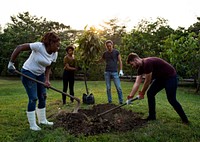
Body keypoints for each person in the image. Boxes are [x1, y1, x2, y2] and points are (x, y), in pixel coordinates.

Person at [7, 31, 60, 131]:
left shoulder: (54, 53)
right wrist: (11, 63)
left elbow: (48, 67)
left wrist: (47, 80)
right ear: (51, 43)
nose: (58, 48)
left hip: (40, 74)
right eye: (57, 45)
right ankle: (32, 125)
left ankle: (43, 120)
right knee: (33, 98)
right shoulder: (39, 46)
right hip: (28, 72)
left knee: (43, 96)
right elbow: (19, 47)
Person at [126, 52, 189, 124]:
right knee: (150, 93)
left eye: (132, 64)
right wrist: (130, 97)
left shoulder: (147, 63)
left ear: (135, 60)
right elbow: (137, 83)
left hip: (170, 77)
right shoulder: (140, 69)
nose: (132, 66)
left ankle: (185, 120)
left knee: (171, 99)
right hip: (161, 79)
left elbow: (148, 80)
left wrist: (142, 93)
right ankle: (152, 116)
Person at [98, 40, 124, 104]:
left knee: (118, 87)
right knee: (108, 88)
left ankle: (121, 101)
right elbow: (101, 60)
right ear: (106, 47)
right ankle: (110, 101)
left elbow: (120, 61)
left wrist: (121, 70)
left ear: (112, 45)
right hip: (107, 72)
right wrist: (93, 60)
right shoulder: (105, 53)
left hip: (115, 72)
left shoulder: (116, 52)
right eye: (107, 46)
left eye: (110, 46)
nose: (109, 47)